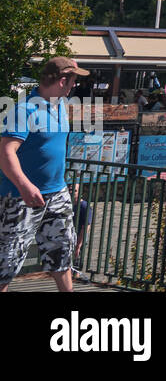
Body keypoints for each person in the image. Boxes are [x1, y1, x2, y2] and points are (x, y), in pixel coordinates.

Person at [0, 56, 89, 292]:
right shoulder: (24, 110)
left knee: (62, 253)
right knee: (7, 260)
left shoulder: (59, 106)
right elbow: (6, 152)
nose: (74, 87)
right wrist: (24, 186)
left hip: (57, 193)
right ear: (62, 81)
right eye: (73, 81)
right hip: (21, 196)